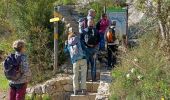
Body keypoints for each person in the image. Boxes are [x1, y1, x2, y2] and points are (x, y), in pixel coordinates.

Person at [64, 28, 87, 95]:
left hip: (75, 61)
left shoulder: (69, 44)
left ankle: (75, 90)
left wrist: (65, 45)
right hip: (83, 59)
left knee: (75, 75)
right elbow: (84, 48)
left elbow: (65, 52)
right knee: (83, 75)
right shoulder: (78, 40)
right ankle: (83, 90)